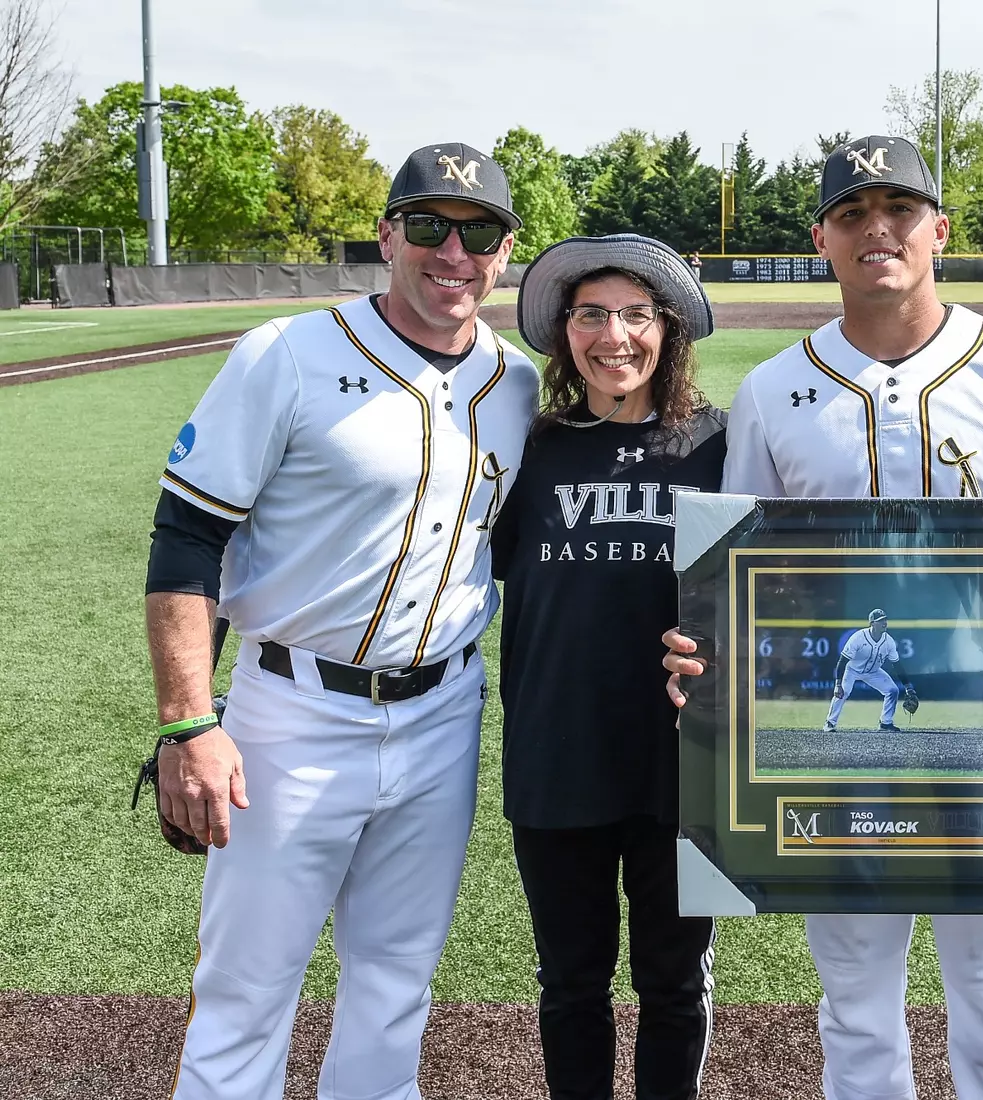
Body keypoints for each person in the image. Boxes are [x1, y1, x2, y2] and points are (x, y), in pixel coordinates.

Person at [664, 135, 983, 1100]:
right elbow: (734, 562)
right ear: (822, 239)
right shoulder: (773, 391)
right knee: (854, 1006)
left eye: (899, 209)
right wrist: (702, 644)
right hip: (836, 768)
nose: (876, 228)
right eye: (851, 213)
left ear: (938, 230)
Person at [144, 142, 536, 1100]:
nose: (454, 251)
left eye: (477, 230)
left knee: (397, 985)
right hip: (293, 713)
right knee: (245, 989)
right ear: (386, 234)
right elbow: (186, 539)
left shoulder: (520, 383)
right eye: (430, 226)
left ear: (505, 248)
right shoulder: (288, 353)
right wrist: (189, 724)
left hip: (445, 714)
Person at [496, 234, 725, 1100]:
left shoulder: (720, 446)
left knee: (673, 985)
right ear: (564, 333)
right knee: (569, 985)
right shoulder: (534, 446)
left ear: (668, 332)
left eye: (636, 314)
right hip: (557, 753)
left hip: (685, 763)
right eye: (590, 314)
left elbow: (774, 590)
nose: (613, 335)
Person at [823, 608, 904, 732]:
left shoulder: (889, 641)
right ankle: (830, 723)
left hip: (873, 672)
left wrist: (908, 687)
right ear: (872, 623)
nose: (884, 623)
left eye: (885, 620)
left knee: (893, 690)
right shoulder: (858, 638)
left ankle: (885, 723)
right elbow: (842, 661)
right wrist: (838, 684)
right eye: (880, 620)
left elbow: (897, 664)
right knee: (842, 692)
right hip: (852, 670)